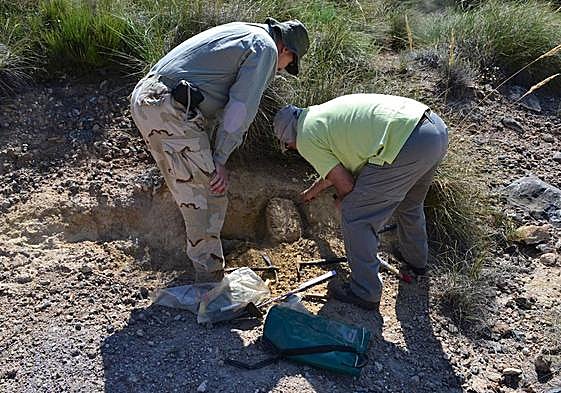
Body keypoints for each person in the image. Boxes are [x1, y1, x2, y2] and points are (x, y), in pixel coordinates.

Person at [130, 18, 309, 282]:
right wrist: (221, 158)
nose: (281, 71)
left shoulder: (243, 31)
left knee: (192, 186)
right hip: (170, 109)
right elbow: (240, 109)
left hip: (150, 101)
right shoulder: (265, 48)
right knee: (209, 192)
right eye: (288, 66)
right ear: (286, 50)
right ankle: (210, 283)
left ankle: (195, 263)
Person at [273, 94, 449, 310]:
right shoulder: (319, 115)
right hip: (433, 130)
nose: (294, 149)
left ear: (289, 139)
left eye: (290, 147)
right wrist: (314, 190)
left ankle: (365, 291)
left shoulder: (306, 137)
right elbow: (339, 168)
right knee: (410, 204)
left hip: (407, 142)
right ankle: (416, 262)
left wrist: (344, 201)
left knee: (356, 215)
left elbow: (345, 184)